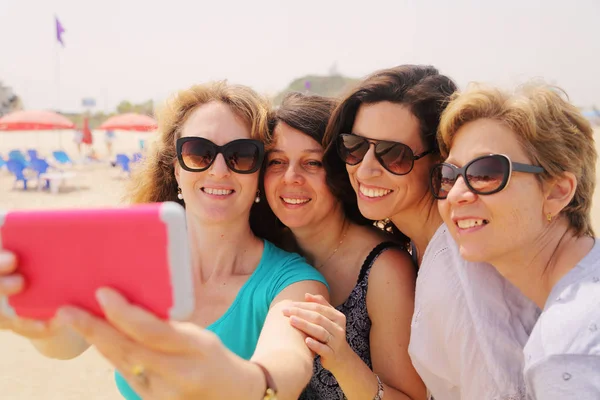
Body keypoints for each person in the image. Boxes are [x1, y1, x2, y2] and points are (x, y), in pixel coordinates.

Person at [0, 81, 329, 400]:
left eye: (241, 155)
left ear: (259, 173)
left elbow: (288, 363)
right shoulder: (130, 263)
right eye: (199, 152)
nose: (218, 170)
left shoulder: (293, 283)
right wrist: (38, 322)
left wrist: (250, 385)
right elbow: (65, 344)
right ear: (176, 170)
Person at [323, 65, 541, 399]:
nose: (365, 168)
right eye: (354, 146)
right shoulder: (424, 245)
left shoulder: (457, 267)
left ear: (439, 160)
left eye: (393, 155)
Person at [433, 83, 599, 399]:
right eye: (448, 174)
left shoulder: (565, 350)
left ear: (557, 192)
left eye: (485, 173)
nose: (455, 194)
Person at [263, 92, 426, 399]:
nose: (290, 177)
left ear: (339, 171)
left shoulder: (385, 269)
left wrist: (342, 360)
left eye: (311, 162)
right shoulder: (264, 248)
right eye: (277, 161)